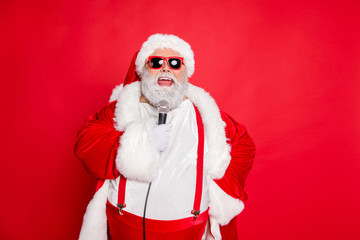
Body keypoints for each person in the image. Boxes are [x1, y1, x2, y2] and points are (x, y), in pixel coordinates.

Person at [74, 33, 255, 240]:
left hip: (187, 229)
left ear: (185, 72)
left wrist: (215, 183)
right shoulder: (120, 111)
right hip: (125, 224)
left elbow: (244, 144)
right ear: (143, 70)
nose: (166, 68)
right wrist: (140, 140)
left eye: (175, 63)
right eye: (157, 62)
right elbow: (86, 143)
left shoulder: (206, 115)